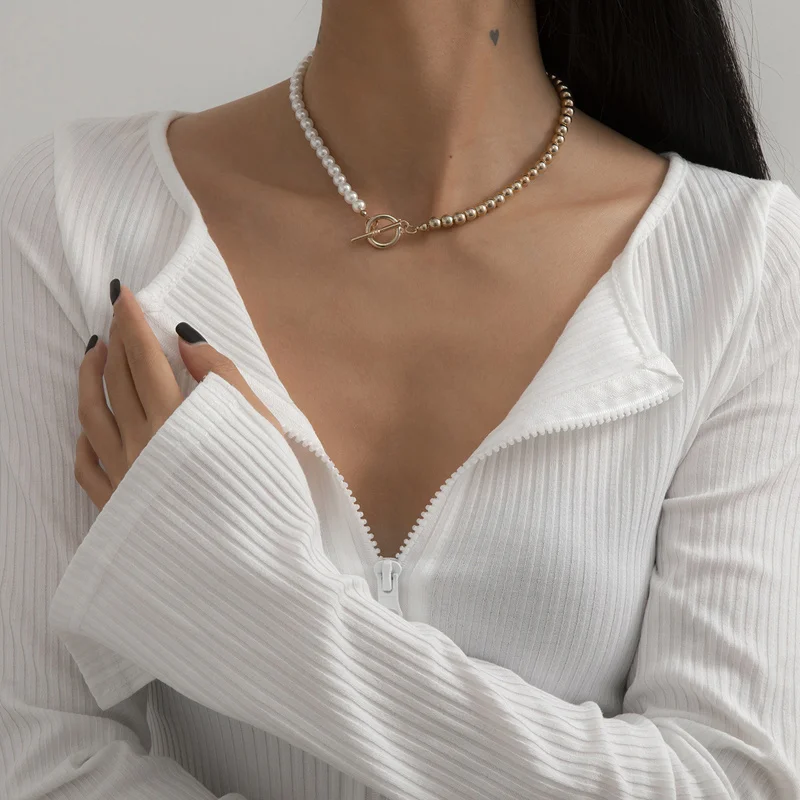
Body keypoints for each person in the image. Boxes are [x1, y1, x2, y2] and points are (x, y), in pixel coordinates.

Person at [1, 0, 799, 798]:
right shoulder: (72, 216)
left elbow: (724, 780)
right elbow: (43, 768)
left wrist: (255, 599)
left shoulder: (743, 271)